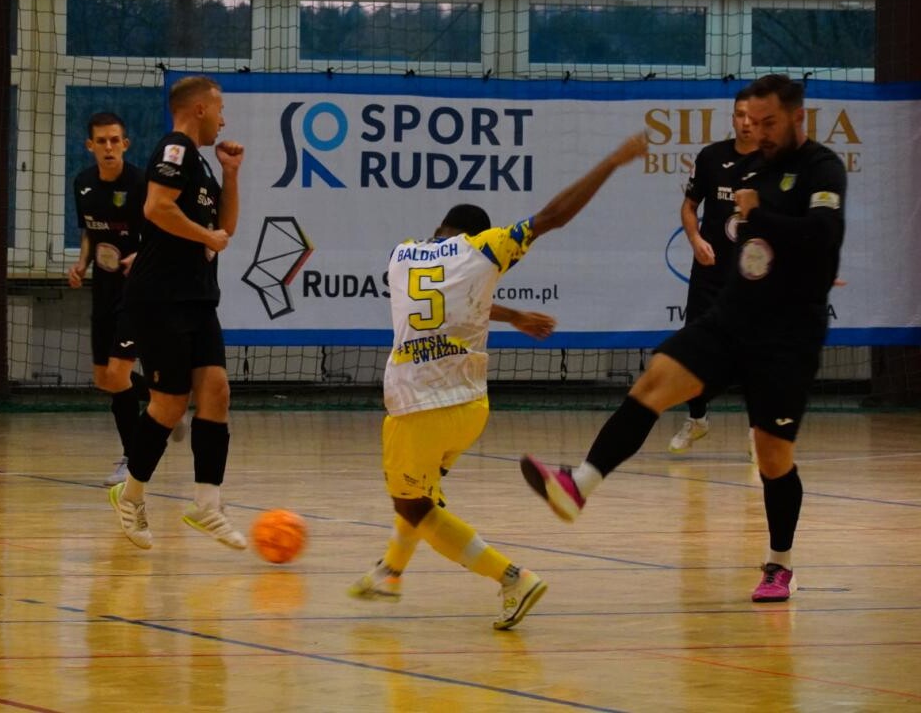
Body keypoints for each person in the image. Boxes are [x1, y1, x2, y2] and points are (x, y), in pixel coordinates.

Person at [521, 74, 846, 603]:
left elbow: (823, 234)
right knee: (654, 381)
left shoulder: (821, 168)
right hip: (732, 316)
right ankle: (580, 483)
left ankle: (779, 564)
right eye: (751, 121)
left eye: (768, 123)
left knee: (772, 458)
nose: (757, 131)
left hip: (787, 336)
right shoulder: (746, 169)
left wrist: (760, 218)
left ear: (797, 119)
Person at [348, 131, 649, 631]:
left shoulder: (400, 255)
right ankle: (391, 572)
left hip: (415, 404)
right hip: (469, 408)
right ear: (474, 235)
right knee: (422, 493)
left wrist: (509, 315)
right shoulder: (485, 250)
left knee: (412, 502)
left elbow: (444, 299)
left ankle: (513, 577)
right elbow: (551, 218)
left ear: (439, 228)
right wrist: (612, 161)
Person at [108, 76, 246, 550]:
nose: (225, 119)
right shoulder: (175, 150)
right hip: (160, 295)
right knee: (168, 405)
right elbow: (156, 208)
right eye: (221, 108)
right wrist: (207, 239)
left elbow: (225, 227)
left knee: (218, 392)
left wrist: (230, 173)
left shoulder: (203, 164)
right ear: (202, 108)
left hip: (197, 296)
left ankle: (207, 505)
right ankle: (130, 496)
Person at [667, 88, 759, 459]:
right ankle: (698, 418)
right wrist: (694, 239)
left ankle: (759, 431)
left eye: (753, 116)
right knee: (695, 349)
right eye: (740, 115)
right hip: (709, 274)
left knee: (755, 354)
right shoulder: (711, 158)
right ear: (733, 118)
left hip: (754, 278)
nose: (746, 122)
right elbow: (689, 207)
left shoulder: (775, 164)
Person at [68, 112, 147, 487]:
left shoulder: (141, 184)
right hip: (103, 290)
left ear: (125, 144)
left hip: (138, 292)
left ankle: (133, 460)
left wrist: (140, 256)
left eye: (115, 140)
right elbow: (90, 232)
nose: (109, 147)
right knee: (106, 379)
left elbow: (160, 233)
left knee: (117, 375)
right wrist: (82, 262)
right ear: (91, 146)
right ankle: (167, 399)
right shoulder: (83, 183)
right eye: (102, 141)